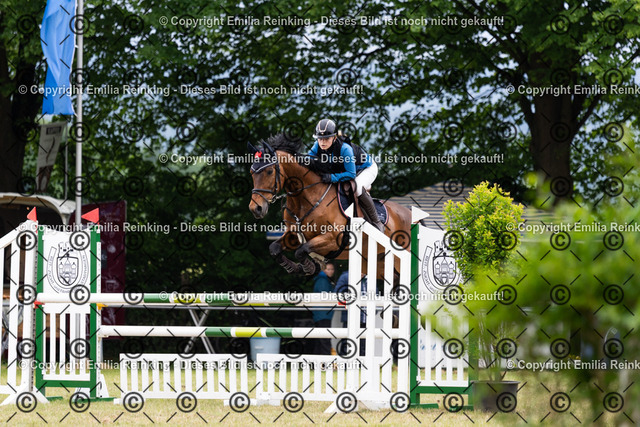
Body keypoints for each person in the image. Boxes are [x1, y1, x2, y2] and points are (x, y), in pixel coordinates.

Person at [308, 119, 384, 231]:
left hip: (366, 168)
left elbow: (351, 174)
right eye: (320, 139)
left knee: (357, 187)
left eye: (326, 139)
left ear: (334, 138)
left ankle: (376, 221)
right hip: (348, 170)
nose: (322, 142)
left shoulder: (345, 149)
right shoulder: (317, 145)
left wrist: (331, 177)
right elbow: (308, 160)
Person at [312, 262, 335, 355]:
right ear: (323, 270)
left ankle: (317, 360)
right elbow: (325, 297)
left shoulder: (322, 279)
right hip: (323, 313)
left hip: (321, 313)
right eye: (328, 269)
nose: (331, 271)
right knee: (325, 339)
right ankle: (327, 360)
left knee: (320, 340)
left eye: (332, 269)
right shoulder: (323, 281)